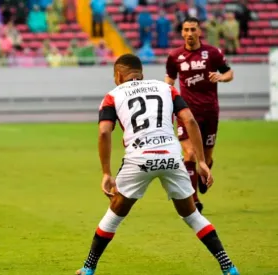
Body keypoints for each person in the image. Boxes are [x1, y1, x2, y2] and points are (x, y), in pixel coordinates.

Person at [75, 54, 239, 275]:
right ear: (141, 73)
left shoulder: (112, 96)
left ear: (118, 75)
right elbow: (189, 120)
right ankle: (228, 267)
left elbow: (104, 131)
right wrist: (201, 161)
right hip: (171, 156)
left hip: (138, 159)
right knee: (191, 215)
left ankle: (88, 268)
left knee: (114, 214)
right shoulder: (166, 89)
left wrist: (106, 172)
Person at [165, 17, 234, 212]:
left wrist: (221, 77)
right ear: (182, 32)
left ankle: (204, 174)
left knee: (207, 156)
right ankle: (193, 199)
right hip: (186, 112)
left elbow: (229, 73)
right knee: (191, 153)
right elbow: (170, 77)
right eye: (186, 30)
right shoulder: (175, 56)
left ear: (199, 32)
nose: (189, 33)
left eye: (193, 29)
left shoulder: (212, 53)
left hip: (210, 112)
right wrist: (165, 92)